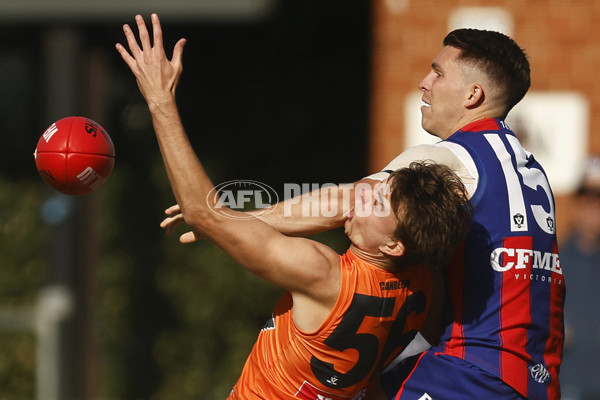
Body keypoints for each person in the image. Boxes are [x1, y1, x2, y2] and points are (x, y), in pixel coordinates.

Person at [115, 14, 472, 400]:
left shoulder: (321, 273)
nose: (361, 196)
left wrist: (159, 99)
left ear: (393, 246)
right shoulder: (424, 282)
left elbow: (204, 212)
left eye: (378, 201)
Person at [559, 156, 600, 400]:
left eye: (599, 197)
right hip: (567, 385)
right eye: (587, 194)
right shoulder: (555, 260)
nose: (592, 204)